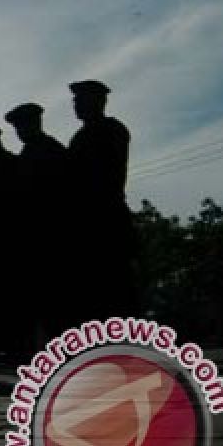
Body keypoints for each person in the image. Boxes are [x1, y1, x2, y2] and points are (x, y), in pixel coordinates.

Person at [67, 80, 137, 320]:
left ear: (97, 101)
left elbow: (107, 176)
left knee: (116, 286)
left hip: (106, 216)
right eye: (75, 101)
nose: (76, 105)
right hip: (88, 221)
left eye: (80, 100)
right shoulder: (79, 137)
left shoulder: (112, 130)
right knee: (95, 293)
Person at [4, 103, 72, 338]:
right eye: (17, 128)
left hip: (49, 239)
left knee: (55, 305)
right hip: (36, 240)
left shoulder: (48, 151)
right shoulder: (32, 152)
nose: (20, 131)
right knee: (45, 307)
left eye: (22, 125)